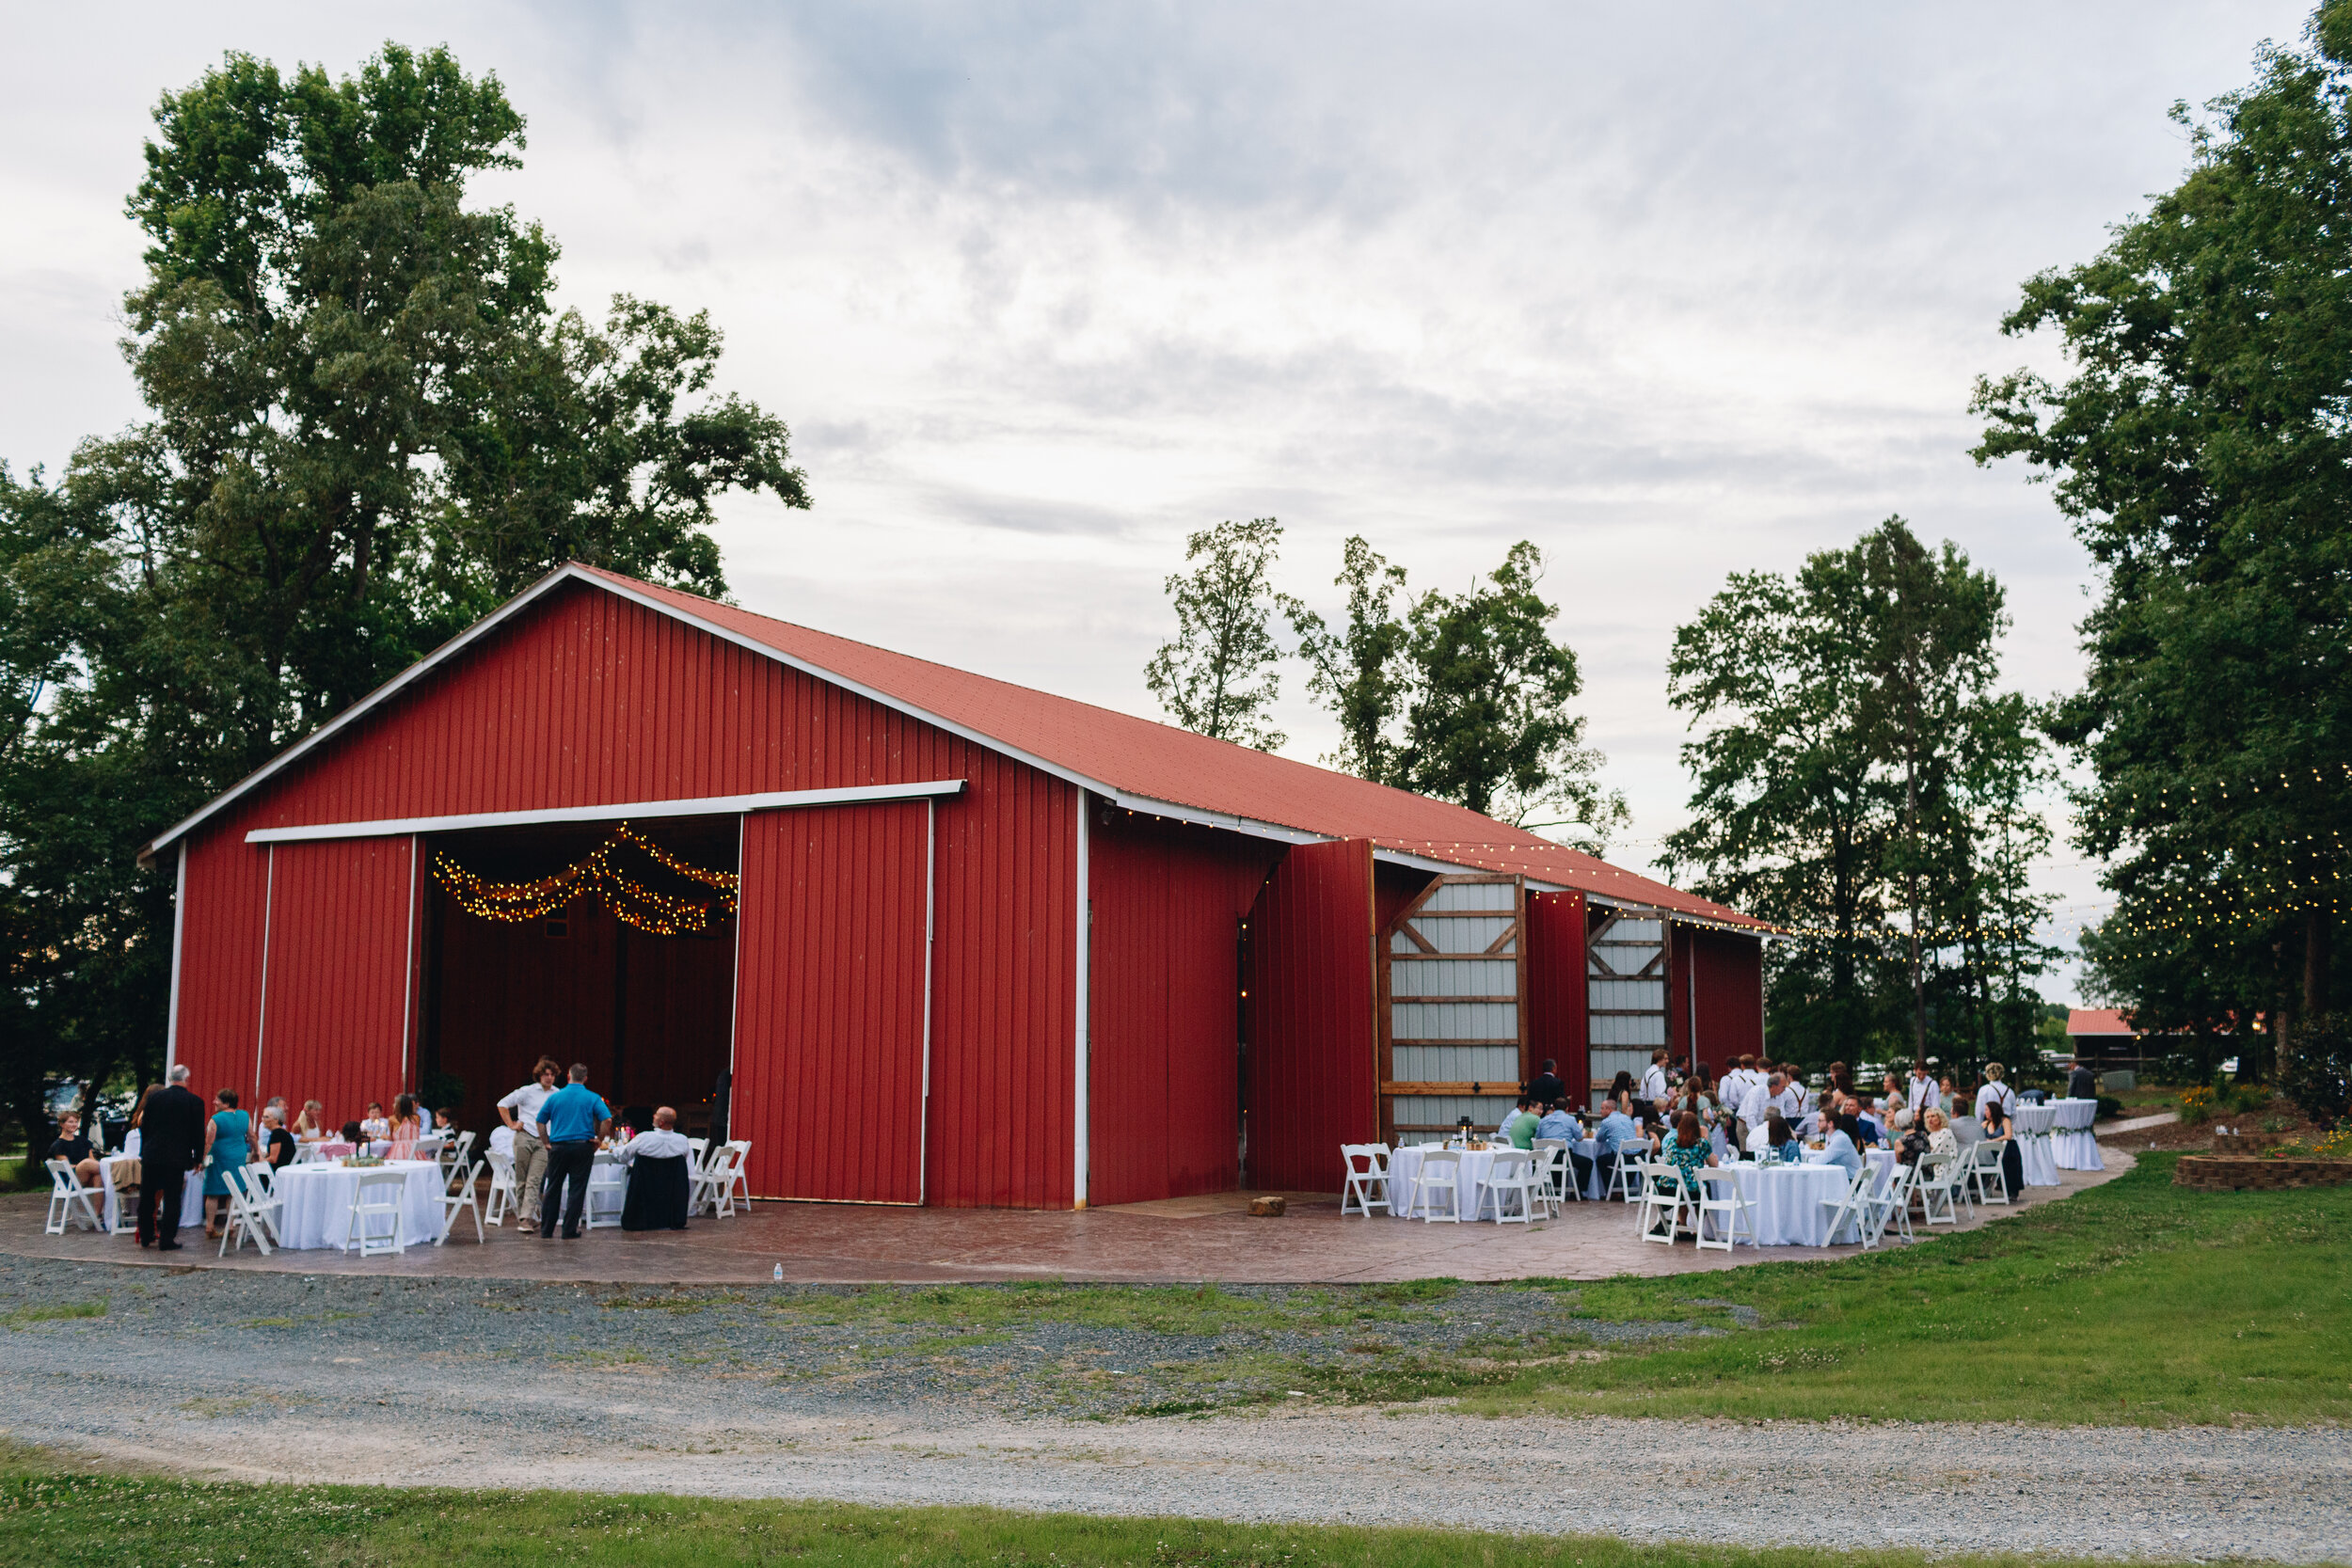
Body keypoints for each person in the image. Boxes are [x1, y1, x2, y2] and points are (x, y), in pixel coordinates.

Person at [535, 1063, 613, 1240]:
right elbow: (607, 1120)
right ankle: (569, 1230)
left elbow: (540, 1121)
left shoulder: (555, 1097)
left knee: (553, 1187)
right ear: (586, 1079)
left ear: (568, 1077)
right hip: (582, 1146)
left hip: (558, 1146)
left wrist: (546, 1142)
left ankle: (546, 1230)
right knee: (577, 1189)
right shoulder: (592, 1097)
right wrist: (599, 1139)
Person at [137, 1068, 206, 1250]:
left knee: (147, 1196)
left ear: (170, 1078)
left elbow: (145, 1127)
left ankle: (145, 1235)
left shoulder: (154, 1099)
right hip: (176, 1156)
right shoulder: (194, 1102)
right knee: (172, 1198)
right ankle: (167, 1238)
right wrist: (198, 1158)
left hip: (152, 1153)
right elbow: (198, 1134)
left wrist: (144, 1149)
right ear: (186, 1079)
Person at [499, 1058, 562, 1229]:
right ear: (539, 1075)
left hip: (543, 1140)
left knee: (535, 1179)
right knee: (522, 1180)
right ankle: (524, 1216)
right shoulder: (527, 1091)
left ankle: (526, 1217)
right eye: (545, 1074)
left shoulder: (557, 1094)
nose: (549, 1078)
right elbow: (502, 1104)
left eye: (552, 1075)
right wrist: (511, 1124)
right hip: (524, 1136)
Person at [616, 1107, 694, 1231]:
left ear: (661, 1122)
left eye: (656, 1115)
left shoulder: (644, 1138)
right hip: (671, 1188)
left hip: (645, 1186)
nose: (653, 1116)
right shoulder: (682, 1140)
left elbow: (623, 1155)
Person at [200, 1087, 256, 1238]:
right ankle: (230, 1225)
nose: (214, 1102)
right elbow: (251, 1135)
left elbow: (209, 1141)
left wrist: (202, 1159)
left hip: (219, 1156)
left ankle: (210, 1226)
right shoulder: (245, 1116)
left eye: (217, 1099)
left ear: (226, 1103)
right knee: (234, 1191)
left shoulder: (216, 1119)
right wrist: (257, 1152)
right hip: (238, 1156)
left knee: (213, 1193)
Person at [1593, 1094, 1642, 1197]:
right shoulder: (1627, 1119)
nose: (1600, 1111)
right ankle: (1626, 1188)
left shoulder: (1607, 1121)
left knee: (1600, 1160)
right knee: (1623, 1156)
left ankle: (1612, 1189)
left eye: (1602, 1108)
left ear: (1609, 1109)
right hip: (1638, 1157)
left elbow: (1599, 1139)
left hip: (1622, 1157)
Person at [46, 1112, 103, 1192]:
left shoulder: (82, 1140)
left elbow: (92, 1160)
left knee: (98, 1178)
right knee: (86, 1163)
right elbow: (68, 1167)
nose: (74, 1124)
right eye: (71, 1122)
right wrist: (85, 1166)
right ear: (62, 1124)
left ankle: (99, 1205)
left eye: (76, 1122)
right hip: (70, 1181)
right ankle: (112, 1171)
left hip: (87, 1177)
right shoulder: (58, 1145)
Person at [1820, 1112, 1865, 1177]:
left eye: (1820, 1121)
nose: (1817, 1124)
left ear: (1830, 1124)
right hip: (1848, 1177)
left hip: (1851, 1180)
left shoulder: (1840, 1139)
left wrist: (1806, 1161)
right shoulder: (1831, 1136)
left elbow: (1822, 1160)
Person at [260, 1105, 297, 1170]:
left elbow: (273, 1159)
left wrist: (258, 1161)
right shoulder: (281, 1132)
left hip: (278, 1172)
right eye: (263, 1117)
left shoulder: (277, 1134)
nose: (263, 1120)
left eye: (266, 1117)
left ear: (276, 1120)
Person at [389, 1093, 422, 1157]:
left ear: (399, 1107)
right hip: (415, 1152)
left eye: (395, 1103)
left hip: (398, 1151)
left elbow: (391, 1138)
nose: (393, 1105)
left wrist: (384, 1136)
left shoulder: (392, 1119)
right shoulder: (417, 1118)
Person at [1639, 1050, 1670, 1115]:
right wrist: (1670, 1099)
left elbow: (1642, 1094)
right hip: (1657, 1107)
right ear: (1659, 1059)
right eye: (1665, 1059)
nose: (1667, 1061)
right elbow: (1660, 1094)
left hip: (1646, 1106)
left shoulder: (1647, 1072)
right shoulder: (1659, 1074)